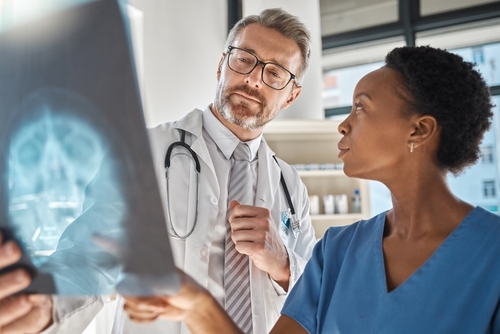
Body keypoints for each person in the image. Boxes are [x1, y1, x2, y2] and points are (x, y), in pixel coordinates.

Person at [123, 45, 500, 333]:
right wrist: (197, 307)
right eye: (244, 60)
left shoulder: (491, 255)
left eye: (361, 108)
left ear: (418, 130)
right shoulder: (337, 251)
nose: (343, 125)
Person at [0, 7, 317, 334]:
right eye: (244, 59)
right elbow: (93, 252)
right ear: (222, 64)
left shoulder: (290, 186)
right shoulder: (144, 151)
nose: (252, 78)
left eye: (275, 73)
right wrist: (50, 302)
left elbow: (316, 292)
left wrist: (282, 265)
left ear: (291, 96)